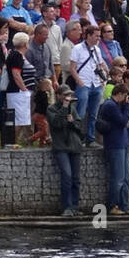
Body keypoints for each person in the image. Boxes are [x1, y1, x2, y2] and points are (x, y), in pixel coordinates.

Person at [97, 84, 129, 215]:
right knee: (117, 178)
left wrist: (125, 106)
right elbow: (122, 121)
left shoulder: (116, 105)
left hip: (121, 143)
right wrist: (128, 107)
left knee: (125, 179)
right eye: (125, 96)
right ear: (119, 94)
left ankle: (124, 205)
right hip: (114, 144)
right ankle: (112, 205)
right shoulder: (110, 105)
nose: (126, 99)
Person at [48, 84, 84, 215]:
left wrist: (72, 122)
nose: (68, 98)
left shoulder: (72, 108)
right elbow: (56, 123)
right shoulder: (51, 109)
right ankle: (67, 207)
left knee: (76, 178)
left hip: (74, 146)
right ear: (58, 96)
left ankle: (74, 206)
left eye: (69, 95)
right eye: (65, 95)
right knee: (67, 176)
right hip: (61, 146)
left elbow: (80, 126)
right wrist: (64, 108)